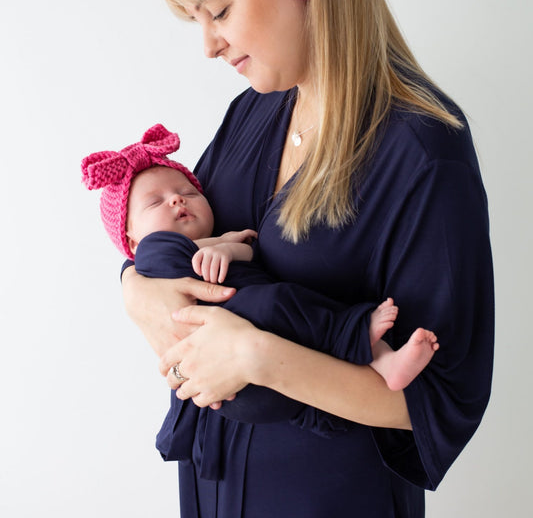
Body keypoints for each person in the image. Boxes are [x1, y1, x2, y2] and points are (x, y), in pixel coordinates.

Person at [121, 0, 494, 518]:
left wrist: (259, 356)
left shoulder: (421, 152)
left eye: (220, 11)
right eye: (196, 20)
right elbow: (182, 242)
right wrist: (134, 290)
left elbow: (437, 401)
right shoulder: (254, 114)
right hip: (217, 490)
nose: (208, 44)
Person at [82, 122, 439, 406]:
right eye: (155, 202)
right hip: (230, 367)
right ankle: (361, 338)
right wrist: (134, 282)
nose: (177, 198)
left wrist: (226, 249)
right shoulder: (152, 257)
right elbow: (159, 254)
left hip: (272, 345)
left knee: (292, 302)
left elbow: (249, 250)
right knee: (280, 303)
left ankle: (383, 359)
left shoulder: (225, 239)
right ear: (130, 240)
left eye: (189, 192)